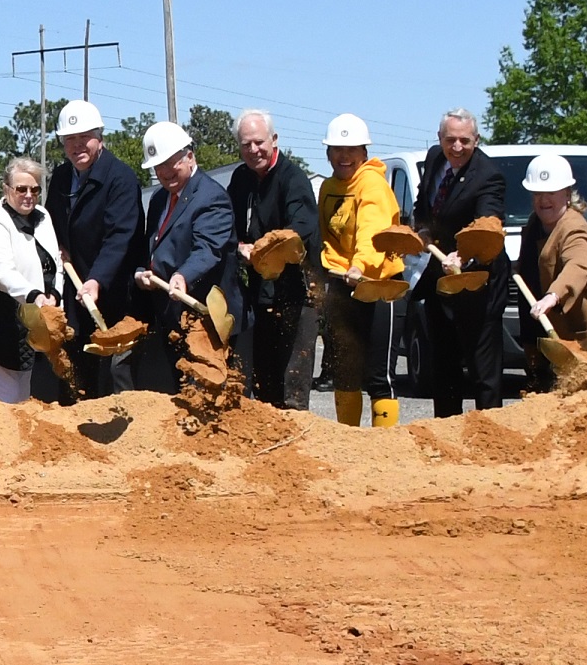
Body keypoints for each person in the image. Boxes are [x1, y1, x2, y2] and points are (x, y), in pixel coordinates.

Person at [409, 109, 509, 416]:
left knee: (483, 371)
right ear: (439, 139)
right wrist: (423, 227)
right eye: (450, 139)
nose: (456, 147)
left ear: (476, 140)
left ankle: (491, 436)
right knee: (444, 364)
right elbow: (423, 203)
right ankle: (446, 432)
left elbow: (487, 224)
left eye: (464, 141)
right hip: (441, 280)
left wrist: (464, 255)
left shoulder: (488, 176)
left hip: (479, 279)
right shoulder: (435, 159)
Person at [44, 101, 146, 399]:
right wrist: (57, 249)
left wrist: (97, 279)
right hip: (76, 291)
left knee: (117, 373)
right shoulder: (62, 177)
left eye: (84, 138)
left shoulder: (121, 179)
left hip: (115, 293)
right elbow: (52, 222)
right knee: (75, 369)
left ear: (99, 137)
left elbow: (120, 236)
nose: (77, 146)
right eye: (69, 140)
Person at [128, 122, 235, 394]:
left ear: (190, 156)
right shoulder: (159, 198)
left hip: (204, 315)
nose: (164, 173)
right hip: (168, 315)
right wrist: (143, 270)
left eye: (170, 163)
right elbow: (153, 244)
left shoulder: (212, 197)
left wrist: (182, 275)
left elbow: (208, 248)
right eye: (158, 167)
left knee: (209, 394)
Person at [227, 110, 320, 408]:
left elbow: (301, 229)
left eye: (258, 142)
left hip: (298, 292)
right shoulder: (241, 178)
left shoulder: (293, 179)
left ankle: (297, 451)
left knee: (293, 387)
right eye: (246, 145)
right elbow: (228, 223)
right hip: (258, 293)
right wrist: (239, 245)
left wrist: (262, 248)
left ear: (274, 140)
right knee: (264, 386)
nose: (253, 150)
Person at [317, 113, 403, 428]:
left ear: (364, 152)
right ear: (327, 154)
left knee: (379, 375)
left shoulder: (373, 184)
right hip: (343, 285)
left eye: (351, 149)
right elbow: (326, 237)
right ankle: (348, 442)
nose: (344, 156)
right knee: (346, 371)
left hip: (379, 285)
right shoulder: (327, 188)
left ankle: (383, 445)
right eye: (337, 149)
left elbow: (373, 231)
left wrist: (359, 264)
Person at [517, 154, 587, 385]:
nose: (543, 200)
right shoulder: (533, 225)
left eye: (551, 193)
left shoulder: (573, 227)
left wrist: (553, 296)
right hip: (555, 332)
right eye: (537, 193)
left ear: (567, 194)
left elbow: (577, 265)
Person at [0, 156, 65, 404]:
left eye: (35, 189)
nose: (28, 195)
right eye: (21, 189)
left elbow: (55, 261)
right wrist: (34, 295)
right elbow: (3, 271)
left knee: (28, 400)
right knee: (6, 404)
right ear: (6, 189)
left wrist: (55, 292)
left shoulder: (42, 216)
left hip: (33, 318)